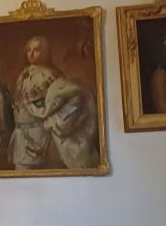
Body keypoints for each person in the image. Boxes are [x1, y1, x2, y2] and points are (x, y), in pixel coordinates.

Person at [8, 37, 99, 170]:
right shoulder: (22, 76)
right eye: (29, 50)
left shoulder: (53, 75)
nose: (31, 54)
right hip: (21, 139)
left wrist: (55, 123)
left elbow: (72, 100)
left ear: (45, 52)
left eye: (36, 50)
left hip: (44, 138)